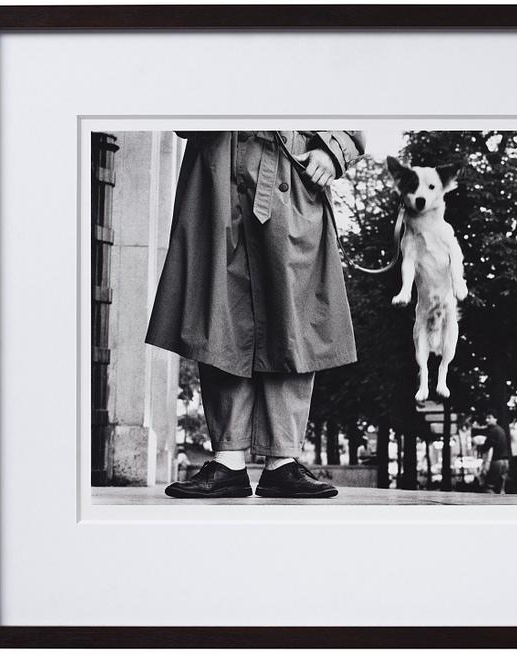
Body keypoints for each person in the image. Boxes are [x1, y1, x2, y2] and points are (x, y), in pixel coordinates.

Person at [145, 130, 365, 498]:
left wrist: (333, 150)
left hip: (292, 175)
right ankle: (228, 459)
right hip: (216, 174)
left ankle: (284, 460)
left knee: (294, 317)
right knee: (217, 312)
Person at [473, 412, 510, 494]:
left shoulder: (493, 431)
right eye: (487, 418)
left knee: (489, 486)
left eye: (489, 418)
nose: (487, 420)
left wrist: (480, 448)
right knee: (501, 488)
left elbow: (487, 446)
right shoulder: (501, 430)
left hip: (496, 461)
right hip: (505, 461)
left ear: (495, 419)